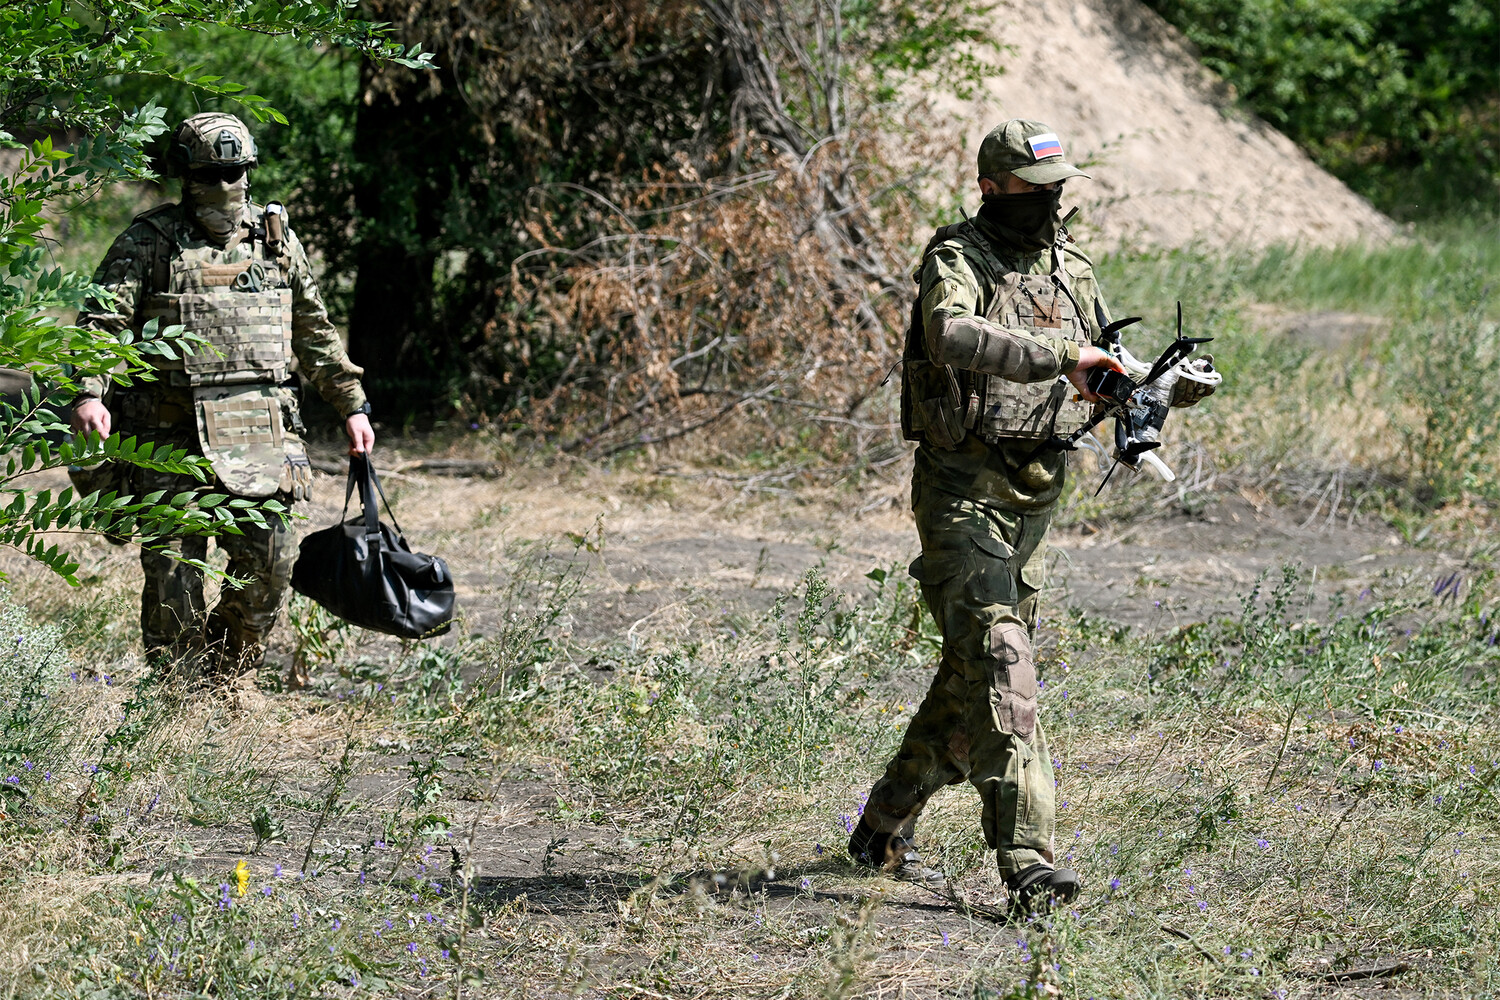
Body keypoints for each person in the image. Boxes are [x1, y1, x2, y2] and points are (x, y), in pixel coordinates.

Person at [847, 120, 1216, 917]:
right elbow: (950, 333)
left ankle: (880, 826)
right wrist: (1061, 356)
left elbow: (1106, 369)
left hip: (1036, 495)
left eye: (1059, 186)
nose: (1050, 200)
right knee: (1004, 661)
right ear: (992, 188)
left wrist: (1160, 388)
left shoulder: (1069, 266)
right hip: (963, 489)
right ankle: (1028, 864)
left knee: (971, 679)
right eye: (1034, 187)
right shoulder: (958, 259)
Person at [71, 112, 374, 678]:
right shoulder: (149, 241)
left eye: (234, 172)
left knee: (272, 566)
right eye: (210, 174)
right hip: (168, 439)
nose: (224, 186)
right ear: (185, 176)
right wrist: (90, 393)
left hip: (260, 436)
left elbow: (313, 332)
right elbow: (101, 324)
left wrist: (352, 404)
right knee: (173, 579)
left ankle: (229, 674)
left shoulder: (276, 243)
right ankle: (178, 694)